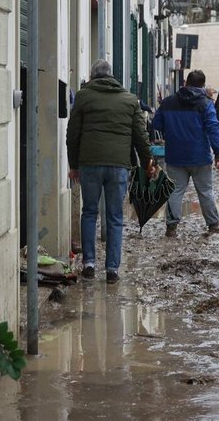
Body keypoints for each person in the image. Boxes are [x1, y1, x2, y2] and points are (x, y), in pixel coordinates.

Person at [66, 59, 155, 284]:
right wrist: (148, 163)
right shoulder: (129, 99)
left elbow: (72, 133)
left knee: (89, 212)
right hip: (119, 166)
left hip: (89, 164)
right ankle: (112, 269)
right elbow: (141, 136)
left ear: (92, 76)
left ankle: (89, 263)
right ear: (112, 76)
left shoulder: (83, 96)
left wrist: (73, 165)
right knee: (115, 216)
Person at [153, 70, 219, 238]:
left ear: (185, 83)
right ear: (203, 85)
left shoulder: (168, 102)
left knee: (175, 191)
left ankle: (171, 227)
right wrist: (218, 153)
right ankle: (213, 225)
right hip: (200, 156)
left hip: (175, 156)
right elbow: (213, 128)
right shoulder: (206, 104)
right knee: (205, 192)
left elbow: (156, 125)